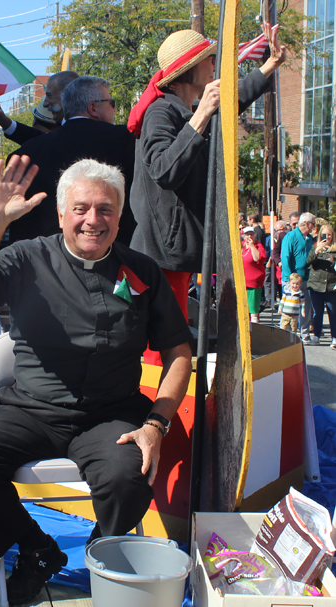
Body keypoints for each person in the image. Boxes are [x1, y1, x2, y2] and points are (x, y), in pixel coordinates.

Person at [0, 155, 193, 604]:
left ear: (120, 216)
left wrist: (157, 424)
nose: (92, 220)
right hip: (31, 408)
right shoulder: (25, 259)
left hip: (113, 413)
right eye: (81, 208)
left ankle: (104, 553)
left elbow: (179, 353)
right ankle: (37, 548)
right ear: (61, 214)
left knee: (128, 476)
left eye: (105, 209)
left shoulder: (142, 269)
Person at [127, 23, 285, 363]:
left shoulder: (178, 109)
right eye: (208, 58)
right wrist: (199, 118)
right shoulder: (161, 111)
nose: (214, 63)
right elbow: (163, 170)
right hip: (161, 255)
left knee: (168, 340)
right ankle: (156, 411)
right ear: (188, 69)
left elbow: (230, 102)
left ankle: (159, 408)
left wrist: (269, 65)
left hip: (170, 252)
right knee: (162, 346)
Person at [6, 76, 136, 245]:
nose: (114, 110)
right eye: (112, 103)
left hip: (43, 258)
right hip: (113, 256)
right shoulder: (129, 141)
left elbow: (14, 218)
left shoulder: (28, 153)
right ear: (93, 108)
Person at [0, 71, 79, 145]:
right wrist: (3, 120)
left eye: (49, 95)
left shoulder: (81, 135)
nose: (45, 103)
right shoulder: (55, 140)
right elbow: (36, 139)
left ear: (67, 97)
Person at [280, 212, 316, 342]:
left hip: (306, 278)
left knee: (305, 306)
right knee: (290, 309)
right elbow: (285, 257)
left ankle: (304, 333)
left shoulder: (310, 238)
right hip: (292, 280)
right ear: (307, 224)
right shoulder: (291, 236)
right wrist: (290, 279)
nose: (314, 227)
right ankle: (285, 334)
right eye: (313, 224)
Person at [306, 224, 336, 348]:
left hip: (331, 287)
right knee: (317, 313)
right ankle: (316, 336)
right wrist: (317, 250)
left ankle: (334, 338)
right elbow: (308, 262)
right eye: (324, 234)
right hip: (316, 286)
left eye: (329, 234)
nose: (327, 237)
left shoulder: (334, 249)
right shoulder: (315, 248)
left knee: (333, 312)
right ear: (320, 235)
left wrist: (333, 260)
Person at [241, 227, 266, 323]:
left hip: (253, 281)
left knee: (253, 307)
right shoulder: (242, 245)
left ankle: (254, 325)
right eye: (247, 234)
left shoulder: (258, 245)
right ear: (243, 236)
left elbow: (257, 258)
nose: (249, 236)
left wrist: (252, 246)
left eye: (251, 234)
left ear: (255, 235)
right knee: (244, 307)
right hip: (242, 281)